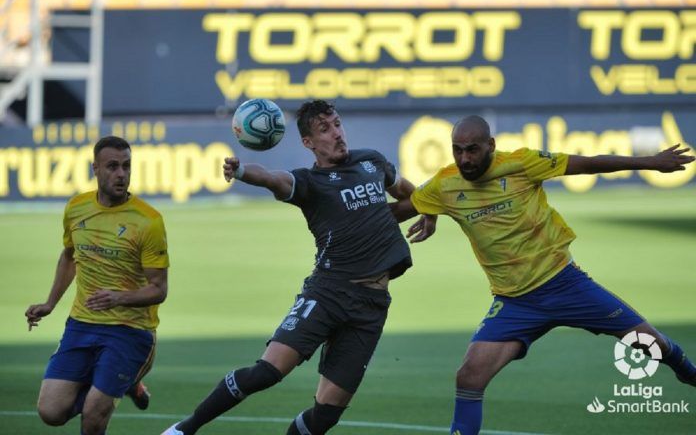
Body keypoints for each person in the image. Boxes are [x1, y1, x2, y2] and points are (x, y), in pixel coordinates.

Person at [390, 115, 696, 435]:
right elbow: (405, 207)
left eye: (472, 149)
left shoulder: (522, 163)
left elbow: (589, 164)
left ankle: (688, 372)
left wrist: (651, 162)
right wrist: (427, 213)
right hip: (515, 302)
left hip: (566, 283)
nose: (465, 158)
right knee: (469, 377)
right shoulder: (445, 183)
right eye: (457, 150)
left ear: (490, 146)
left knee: (651, 344)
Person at [162, 100, 417, 435]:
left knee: (325, 416)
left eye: (337, 124)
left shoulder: (371, 161)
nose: (337, 133)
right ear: (308, 142)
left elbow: (406, 194)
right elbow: (272, 179)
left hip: (371, 306)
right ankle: (185, 428)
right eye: (325, 129)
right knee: (267, 372)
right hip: (328, 293)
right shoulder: (310, 183)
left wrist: (429, 210)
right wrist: (240, 171)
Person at [25, 136, 169, 435]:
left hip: (130, 331)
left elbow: (159, 289)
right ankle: (124, 382)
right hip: (82, 325)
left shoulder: (149, 221)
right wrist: (49, 303)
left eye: (127, 166)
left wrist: (119, 297)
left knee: (93, 416)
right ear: (95, 168)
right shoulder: (76, 208)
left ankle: (120, 380)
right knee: (50, 412)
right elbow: (69, 256)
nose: (121, 174)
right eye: (113, 166)